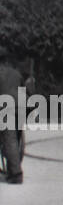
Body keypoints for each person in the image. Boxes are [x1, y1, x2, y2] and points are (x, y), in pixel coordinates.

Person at [0, 49, 33, 184]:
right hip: (21, 107)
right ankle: (12, 165)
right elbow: (25, 91)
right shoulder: (15, 73)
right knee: (14, 138)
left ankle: (16, 174)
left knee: (10, 140)